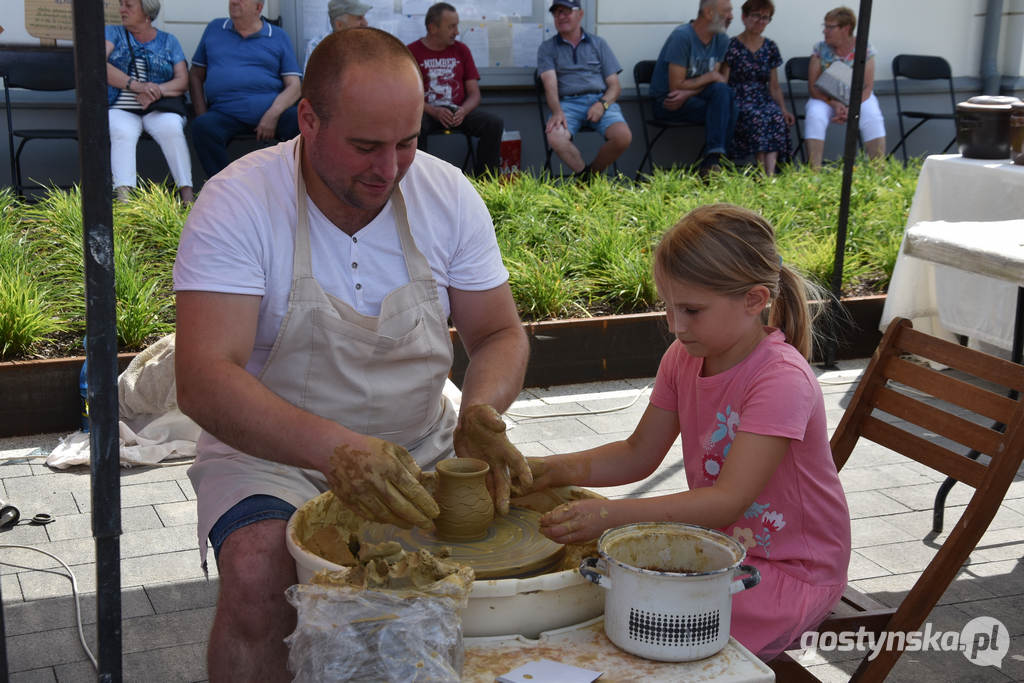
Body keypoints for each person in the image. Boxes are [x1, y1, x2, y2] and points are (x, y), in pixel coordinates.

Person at [173, 27, 531, 680]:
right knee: (258, 574)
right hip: (270, 451)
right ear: (307, 119)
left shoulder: (448, 194)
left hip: (420, 442)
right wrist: (335, 449)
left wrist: (481, 410)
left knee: (490, 574)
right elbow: (201, 379)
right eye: (366, 146)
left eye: (407, 143)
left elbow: (499, 334)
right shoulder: (238, 203)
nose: (389, 169)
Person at [518, 203, 851, 661]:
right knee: (605, 604)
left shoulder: (780, 379)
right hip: (720, 549)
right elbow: (638, 453)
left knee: (636, 618)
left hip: (789, 571)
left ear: (755, 300)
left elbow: (727, 500)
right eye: (669, 307)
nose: (676, 325)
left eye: (692, 309)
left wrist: (612, 516)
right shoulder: (684, 355)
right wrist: (546, 471)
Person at [188, 0, 302, 179]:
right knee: (202, 127)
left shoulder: (278, 36)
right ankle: (225, 188)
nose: (234, 2)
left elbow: (294, 86)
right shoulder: (214, 29)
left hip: (271, 113)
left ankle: (293, 185)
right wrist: (201, 112)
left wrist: (272, 114)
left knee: (301, 120)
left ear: (258, 8)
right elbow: (195, 75)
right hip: (225, 113)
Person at [105, 0, 193, 203]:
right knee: (122, 132)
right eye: (121, 4)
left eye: (129, 6)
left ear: (147, 13)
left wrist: (156, 90)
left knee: (172, 128)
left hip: (159, 106)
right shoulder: (112, 33)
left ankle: (188, 197)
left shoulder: (168, 41)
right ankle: (124, 201)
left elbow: (183, 80)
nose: (122, 10)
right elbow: (98, 65)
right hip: (121, 106)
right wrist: (137, 86)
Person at [536, 0, 631, 178]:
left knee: (623, 137)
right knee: (555, 137)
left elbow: (615, 86)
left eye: (566, 12)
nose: (561, 17)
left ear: (580, 14)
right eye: (556, 13)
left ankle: (591, 175)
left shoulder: (598, 44)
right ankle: (585, 178)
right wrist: (556, 111)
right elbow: (550, 84)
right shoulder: (547, 48)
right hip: (567, 103)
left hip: (599, 100)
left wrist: (602, 105)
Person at [408, 2, 504, 176]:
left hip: (457, 111)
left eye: (457, 26)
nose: (457, 32)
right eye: (451, 27)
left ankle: (487, 181)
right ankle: (419, 179)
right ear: (433, 28)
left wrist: (463, 111)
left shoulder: (462, 50)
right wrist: (434, 111)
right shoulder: (412, 52)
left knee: (493, 123)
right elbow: (407, 95)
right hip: (427, 111)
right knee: (414, 126)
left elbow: (475, 94)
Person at [650, 0, 738, 175]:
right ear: (708, 13)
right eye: (726, 11)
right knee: (727, 107)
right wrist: (710, 77)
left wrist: (691, 91)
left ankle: (713, 161)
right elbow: (675, 87)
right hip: (668, 102)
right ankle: (718, 163)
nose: (731, 17)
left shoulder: (721, 39)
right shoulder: (682, 37)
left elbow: (717, 81)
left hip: (696, 97)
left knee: (725, 95)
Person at [805, 6, 886, 169]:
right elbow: (813, 88)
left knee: (872, 115)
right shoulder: (820, 49)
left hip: (858, 98)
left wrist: (851, 107)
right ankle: (813, 173)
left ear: (846, 28)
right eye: (825, 26)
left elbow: (868, 87)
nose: (825, 31)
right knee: (815, 114)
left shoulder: (865, 48)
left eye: (830, 27)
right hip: (825, 98)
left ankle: (878, 172)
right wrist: (834, 104)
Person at [723, 0, 793, 176]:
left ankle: (770, 175)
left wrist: (783, 109)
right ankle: (762, 172)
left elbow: (774, 85)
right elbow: (723, 79)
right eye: (755, 16)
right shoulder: (732, 45)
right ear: (744, 17)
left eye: (765, 18)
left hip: (762, 97)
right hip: (738, 97)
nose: (760, 21)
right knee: (757, 117)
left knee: (775, 116)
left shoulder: (770, 47)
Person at [303, 0, 369, 68]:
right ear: (339, 25)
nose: (365, 23)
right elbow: (312, 78)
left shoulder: (368, 44)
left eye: (364, 17)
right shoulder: (317, 47)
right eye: (359, 18)